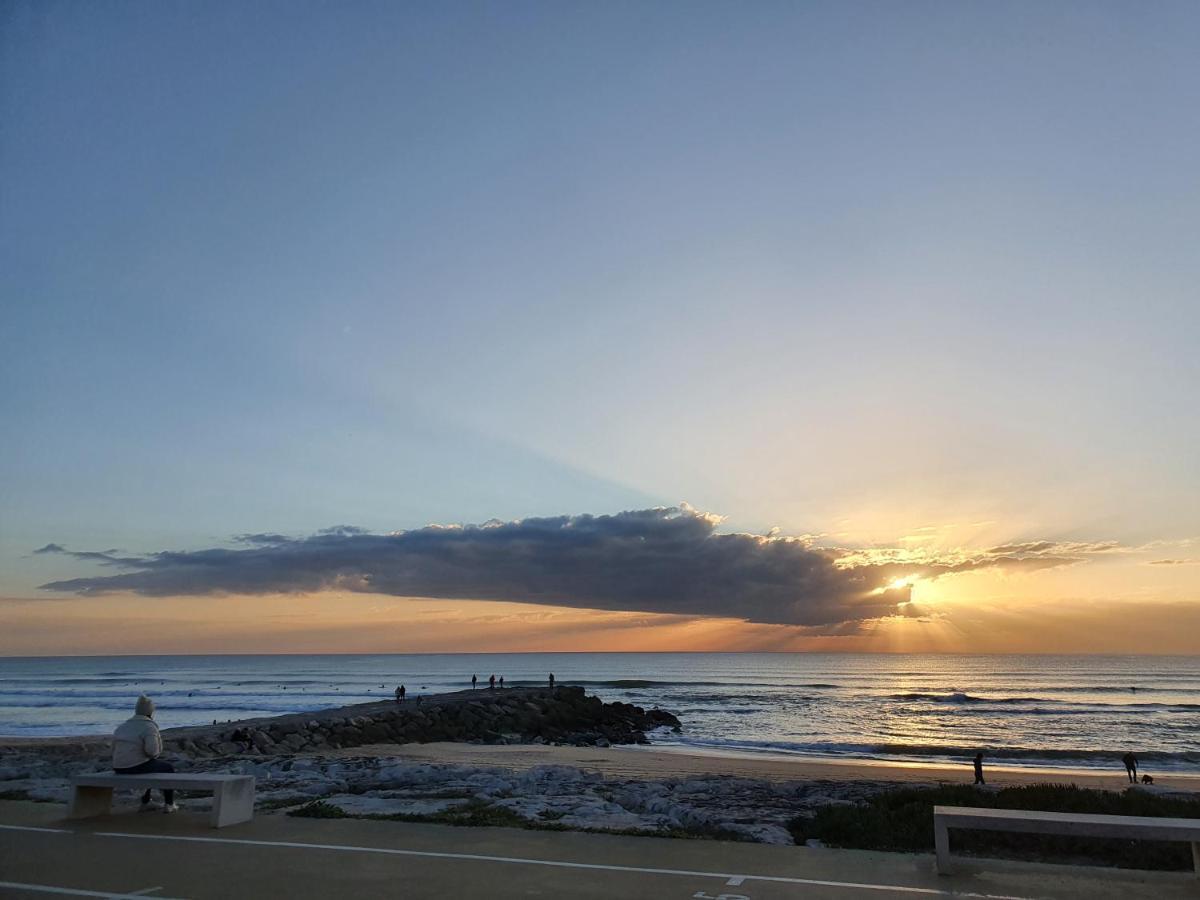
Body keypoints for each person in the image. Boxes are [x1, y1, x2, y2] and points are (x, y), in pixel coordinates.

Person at [113, 695, 177, 812]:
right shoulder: (149, 727)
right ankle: (169, 804)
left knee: (150, 766)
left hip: (118, 767)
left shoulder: (122, 726)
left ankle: (146, 801)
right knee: (168, 768)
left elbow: (114, 748)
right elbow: (152, 752)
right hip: (135, 767)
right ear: (151, 712)